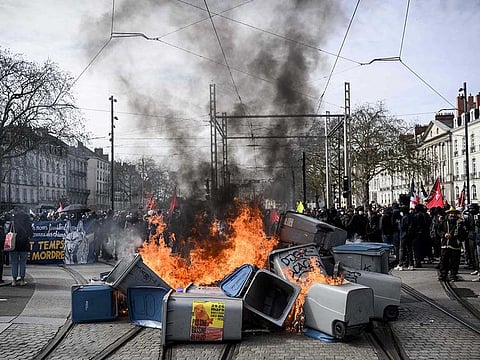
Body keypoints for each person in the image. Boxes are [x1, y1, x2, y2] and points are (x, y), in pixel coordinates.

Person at [437, 206, 467, 281]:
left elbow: (463, 234)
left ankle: (453, 275)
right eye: (451, 213)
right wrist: (444, 234)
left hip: (455, 245)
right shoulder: (444, 222)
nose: (452, 215)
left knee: (455, 261)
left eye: (454, 213)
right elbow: (438, 230)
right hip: (445, 245)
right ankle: (443, 275)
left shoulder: (460, 223)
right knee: (444, 261)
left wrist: (455, 237)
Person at [10, 209, 33, 286]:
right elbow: (31, 233)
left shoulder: (13, 222)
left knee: (14, 262)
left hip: (14, 244)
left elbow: (9, 232)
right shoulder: (27, 222)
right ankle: (22, 280)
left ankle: (14, 280)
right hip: (24, 244)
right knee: (23, 262)